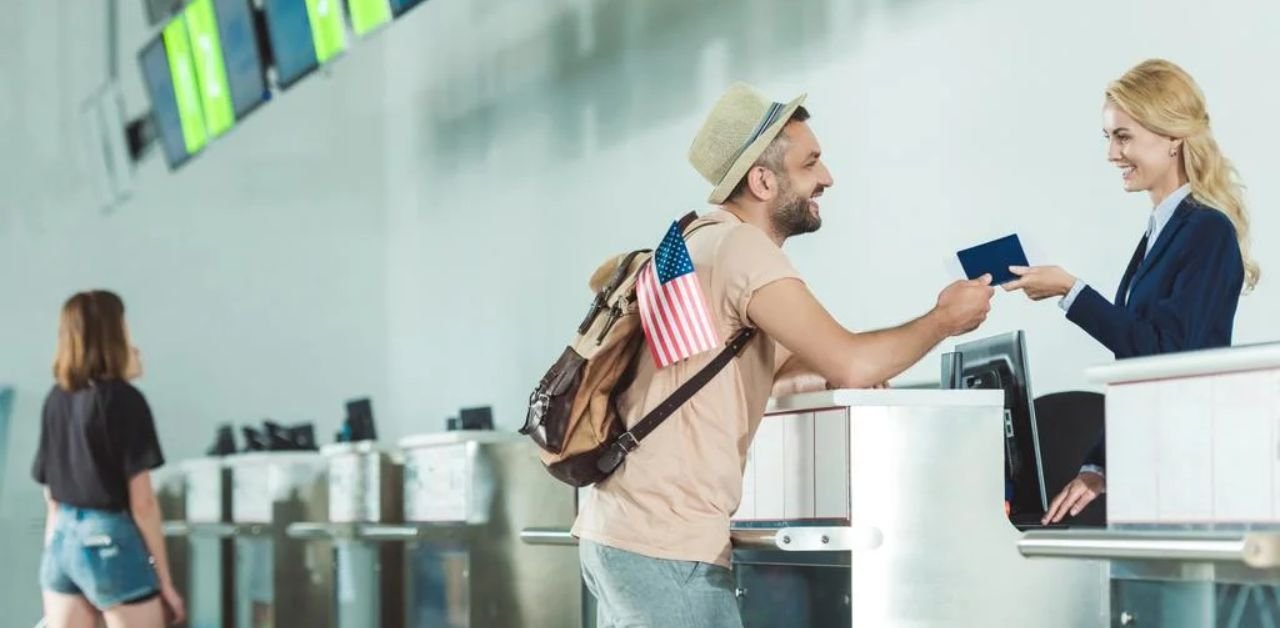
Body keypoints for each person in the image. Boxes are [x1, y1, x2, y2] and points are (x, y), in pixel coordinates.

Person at [571, 82, 995, 628]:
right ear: (763, 180)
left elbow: (726, 365)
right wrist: (943, 320)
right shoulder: (743, 249)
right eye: (811, 162)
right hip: (665, 544)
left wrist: (814, 371)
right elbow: (853, 362)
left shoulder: (699, 241)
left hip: (621, 532)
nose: (827, 177)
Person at [1005, 59, 1257, 524]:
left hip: (1186, 473)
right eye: (1109, 138)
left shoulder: (1206, 230)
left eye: (1123, 137)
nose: (1112, 154)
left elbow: (1170, 357)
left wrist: (1072, 291)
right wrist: (1098, 466)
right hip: (1151, 466)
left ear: (1172, 138)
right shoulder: (1161, 231)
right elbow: (1136, 375)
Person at [33, 291, 186, 627]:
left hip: (61, 543)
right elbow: (143, 503)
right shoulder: (125, 400)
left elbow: (52, 500)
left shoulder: (54, 399)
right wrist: (164, 583)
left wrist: (56, 556)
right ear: (113, 334)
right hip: (109, 539)